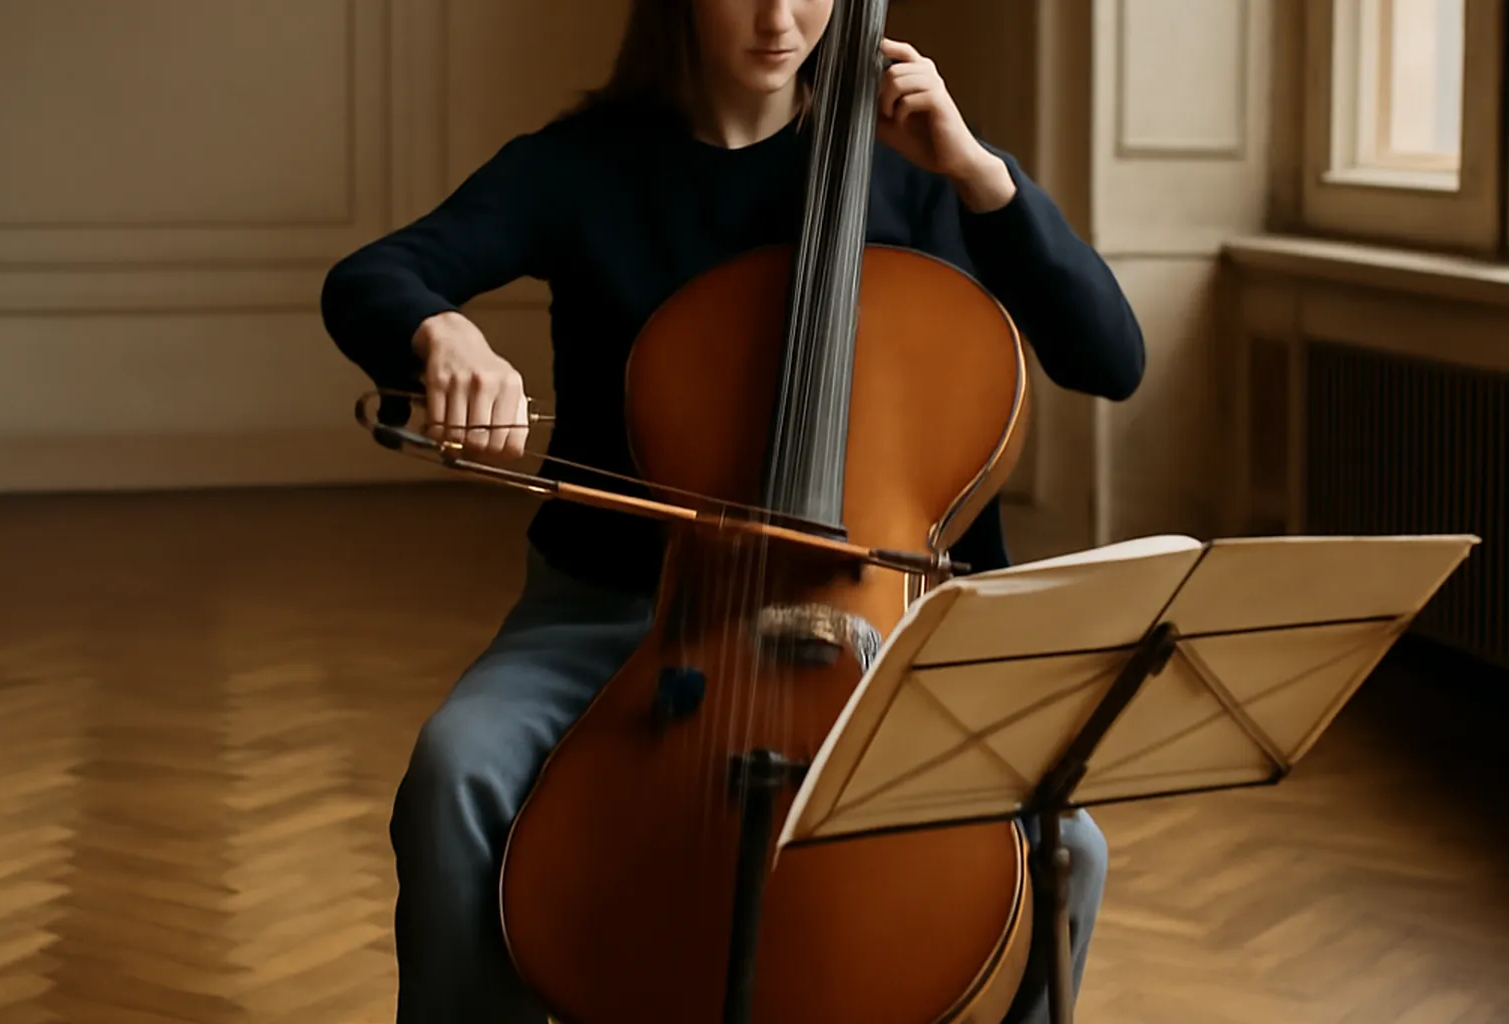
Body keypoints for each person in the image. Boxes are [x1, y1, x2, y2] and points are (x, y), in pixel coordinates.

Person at [321, 1, 1145, 1020]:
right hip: (617, 614)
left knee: (1070, 847)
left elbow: (1112, 358)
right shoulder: (583, 165)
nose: (777, 13)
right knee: (455, 775)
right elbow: (373, 276)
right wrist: (442, 333)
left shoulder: (923, 167)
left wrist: (981, 176)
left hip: (881, 628)